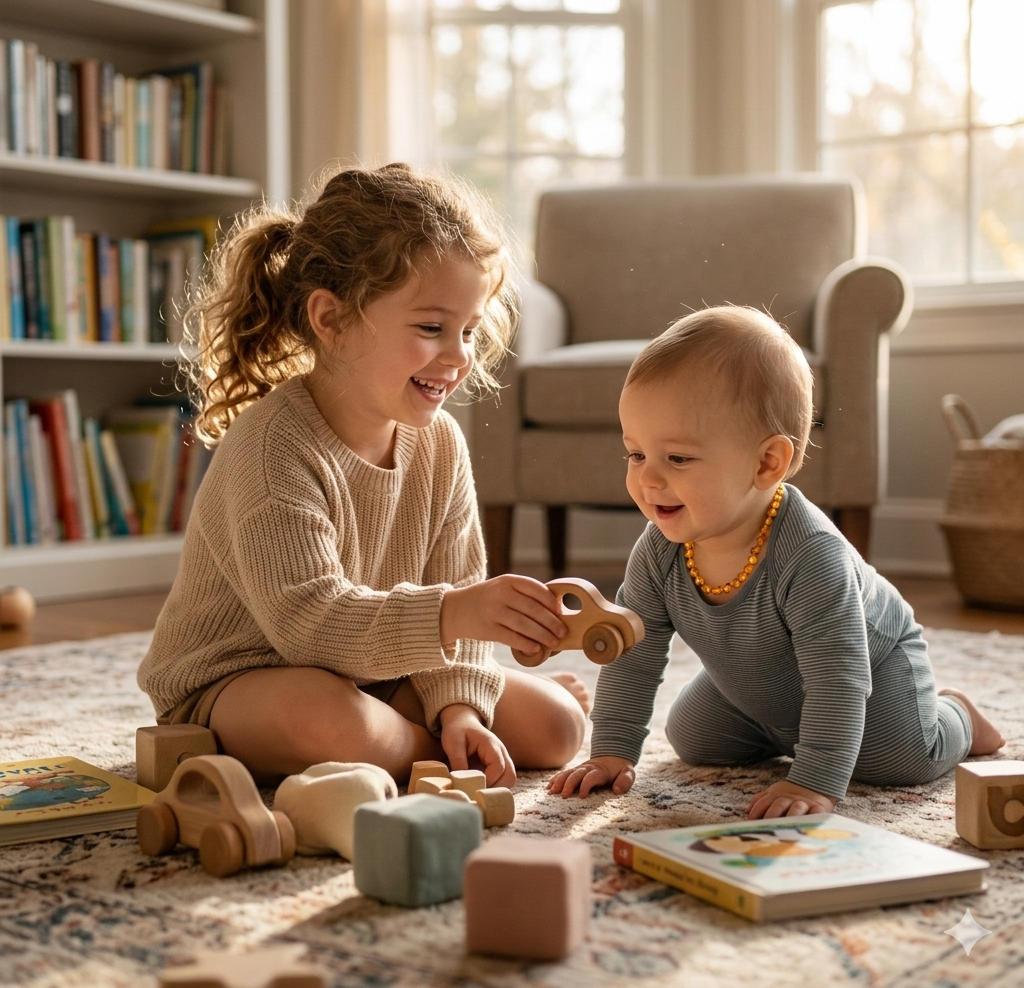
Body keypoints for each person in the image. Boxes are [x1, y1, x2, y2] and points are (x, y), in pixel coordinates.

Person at [138, 163, 587, 787]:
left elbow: (451, 586)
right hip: (238, 681)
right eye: (431, 328)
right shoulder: (273, 446)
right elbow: (311, 628)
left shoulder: (441, 445)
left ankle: (415, 738)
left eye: (468, 331)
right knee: (328, 722)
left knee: (560, 728)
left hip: (376, 668)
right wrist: (457, 617)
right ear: (332, 320)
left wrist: (460, 706)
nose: (458, 357)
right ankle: (406, 744)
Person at [549, 306, 1003, 816]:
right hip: (756, 684)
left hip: (869, 670)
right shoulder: (658, 550)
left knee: (899, 759)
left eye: (676, 458)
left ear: (768, 463)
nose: (648, 479)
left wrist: (813, 781)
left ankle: (958, 713)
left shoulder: (810, 554)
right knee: (693, 739)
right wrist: (612, 750)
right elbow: (635, 650)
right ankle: (785, 730)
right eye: (636, 455)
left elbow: (839, 678)